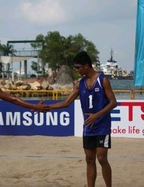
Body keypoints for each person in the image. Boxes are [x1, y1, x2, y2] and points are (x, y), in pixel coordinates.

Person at [47, 51, 117, 187]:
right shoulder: (79, 84)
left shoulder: (103, 80)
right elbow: (66, 103)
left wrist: (97, 115)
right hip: (88, 127)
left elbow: (113, 102)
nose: (76, 70)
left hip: (102, 126)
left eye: (78, 67)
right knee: (89, 159)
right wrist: (47, 107)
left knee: (102, 158)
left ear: (86, 66)